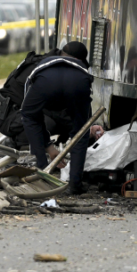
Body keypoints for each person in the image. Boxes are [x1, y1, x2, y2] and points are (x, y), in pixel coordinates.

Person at [20, 41, 103, 194]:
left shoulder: (44, 63)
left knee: (30, 117)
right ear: (80, 59)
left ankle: (42, 171)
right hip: (77, 83)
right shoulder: (81, 69)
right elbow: (84, 110)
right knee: (81, 131)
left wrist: (48, 146)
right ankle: (75, 184)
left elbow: (29, 112)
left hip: (45, 82)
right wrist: (86, 126)